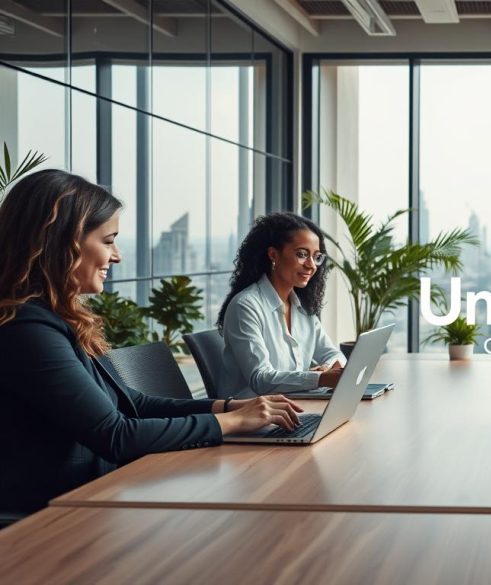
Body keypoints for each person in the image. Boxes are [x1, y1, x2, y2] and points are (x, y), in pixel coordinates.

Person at [0, 170, 303, 515]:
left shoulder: (48, 320)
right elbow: (116, 435)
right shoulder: (26, 328)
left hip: (96, 497)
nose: (117, 257)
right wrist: (233, 424)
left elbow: (132, 404)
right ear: (62, 241)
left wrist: (226, 408)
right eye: (108, 240)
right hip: (50, 519)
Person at [218, 212, 345, 397]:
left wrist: (328, 368)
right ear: (273, 254)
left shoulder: (303, 308)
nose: (311, 265)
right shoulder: (245, 306)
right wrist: (320, 378)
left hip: (293, 408)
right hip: (250, 417)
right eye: (302, 254)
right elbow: (260, 379)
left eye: (316, 257)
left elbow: (334, 355)